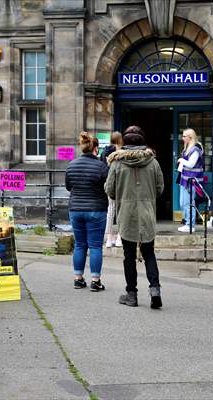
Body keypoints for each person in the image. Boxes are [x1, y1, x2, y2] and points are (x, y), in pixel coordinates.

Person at [105, 125, 164, 308]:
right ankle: (155, 290)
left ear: (125, 142)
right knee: (149, 253)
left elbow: (109, 189)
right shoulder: (153, 162)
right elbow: (160, 189)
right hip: (147, 213)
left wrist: (123, 194)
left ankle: (132, 295)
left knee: (129, 255)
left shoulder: (116, 163)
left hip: (126, 214)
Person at [65, 132, 109, 292]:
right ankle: (95, 281)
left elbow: (69, 187)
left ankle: (78, 279)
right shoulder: (101, 166)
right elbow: (108, 186)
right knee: (95, 246)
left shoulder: (71, 165)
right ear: (95, 149)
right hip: (96, 209)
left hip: (75, 209)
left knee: (79, 244)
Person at [176, 128, 203, 233]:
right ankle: (187, 223)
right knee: (183, 203)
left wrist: (182, 160)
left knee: (188, 202)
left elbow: (191, 164)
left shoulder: (195, 149)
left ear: (190, 137)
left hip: (192, 180)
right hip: (184, 179)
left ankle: (190, 225)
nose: (182, 138)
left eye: (184, 136)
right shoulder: (187, 148)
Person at [101, 131, 123, 248]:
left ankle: (109, 238)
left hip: (109, 183)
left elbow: (102, 167)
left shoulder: (104, 151)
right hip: (121, 184)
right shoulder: (122, 153)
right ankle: (119, 237)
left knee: (110, 211)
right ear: (120, 140)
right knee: (121, 211)